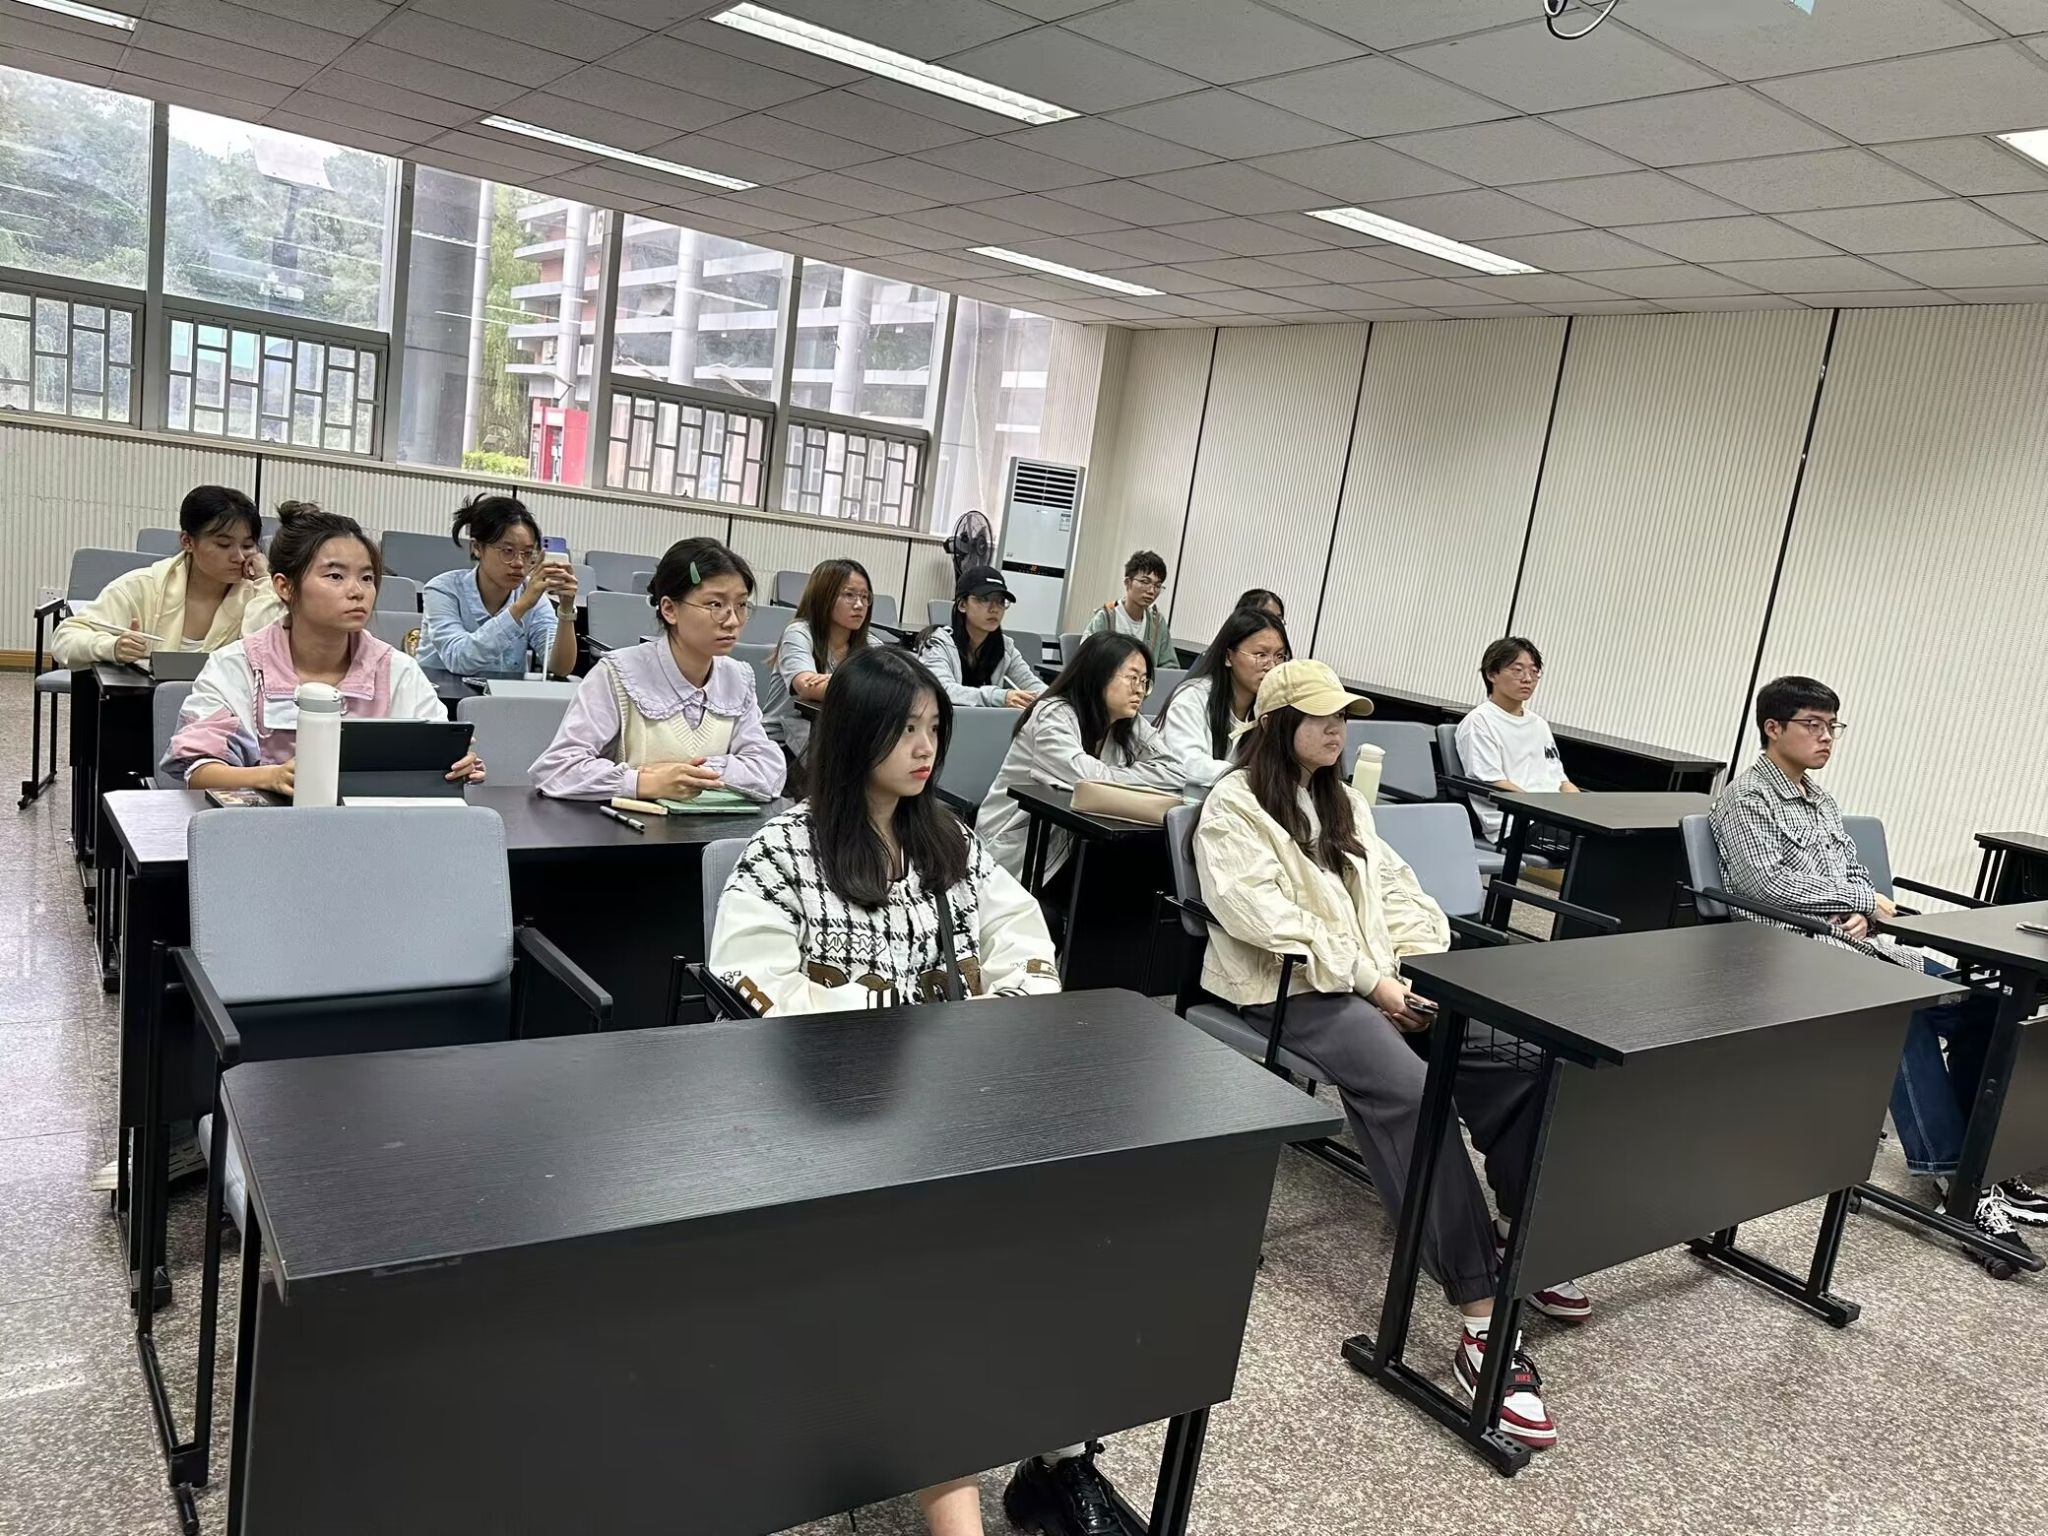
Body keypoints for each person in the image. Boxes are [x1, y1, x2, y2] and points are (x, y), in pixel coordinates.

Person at [709, 645, 1130, 1536]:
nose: (926, 746)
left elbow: (1022, 939)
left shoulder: (948, 840)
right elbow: (754, 988)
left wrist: (987, 1023)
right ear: (856, 732)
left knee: (1078, 1235)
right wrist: (909, 1033)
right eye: (905, 729)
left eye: (935, 727)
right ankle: (983, 1495)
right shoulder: (786, 849)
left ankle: (1057, 1458)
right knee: (947, 1270)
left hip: (954, 1116)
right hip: (831, 1127)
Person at [1194, 660, 1590, 1453]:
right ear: (1277, 725)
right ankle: (1481, 1317)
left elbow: (1400, 893)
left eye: (1344, 716)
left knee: (1519, 1055)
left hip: (1378, 979)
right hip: (1291, 989)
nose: (1338, 729)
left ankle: (1515, 1231)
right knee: (1409, 1091)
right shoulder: (1233, 806)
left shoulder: (1342, 801)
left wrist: (1411, 971)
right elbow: (1265, 919)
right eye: (1322, 717)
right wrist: (1371, 982)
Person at [1710, 676, 2041, 1251]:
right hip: (1787, 954)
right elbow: (1763, 884)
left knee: (1987, 1006)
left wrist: (1862, 907)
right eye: (1812, 725)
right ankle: (1953, 1177)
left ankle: (1981, 1167)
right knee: (1901, 1009)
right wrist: (1859, 902)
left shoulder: (1821, 800)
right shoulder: (1747, 799)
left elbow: (1856, 875)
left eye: (1832, 726)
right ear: (1773, 728)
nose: (1826, 738)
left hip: (1856, 946)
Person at [163, 503, 483, 791]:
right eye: (335, 576)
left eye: (367, 578)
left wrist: (455, 765)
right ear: (285, 586)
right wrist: (269, 777)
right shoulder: (238, 665)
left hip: (369, 829)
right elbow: (198, 770)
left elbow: (433, 756)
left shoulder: (397, 670)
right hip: (259, 827)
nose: (357, 591)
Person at [530, 536, 786, 803]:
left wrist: (694, 772)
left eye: (741, 605)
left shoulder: (737, 678)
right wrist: (643, 782)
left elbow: (770, 772)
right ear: (669, 609)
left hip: (711, 827)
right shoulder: (618, 674)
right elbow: (557, 769)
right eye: (715, 604)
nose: (732, 621)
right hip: (625, 826)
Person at [975, 633, 1184, 885]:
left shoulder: (1129, 722)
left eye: (1144, 681)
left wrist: (1113, 776)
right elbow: (1087, 780)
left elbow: (1175, 772)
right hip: (1020, 848)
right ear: (1099, 675)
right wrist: (1126, 778)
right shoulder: (1052, 714)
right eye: (1132, 678)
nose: (1140, 690)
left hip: (1073, 844)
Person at [53, 485, 282, 666]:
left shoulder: (258, 595)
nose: (239, 557)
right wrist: (111, 647)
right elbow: (66, 638)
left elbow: (275, 654)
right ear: (187, 541)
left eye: (248, 545)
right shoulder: (143, 587)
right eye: (223, 544)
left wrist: (265, 581)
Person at [415, 493, 579, 678]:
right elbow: (459, 660)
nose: (519, 563)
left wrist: (566, 611)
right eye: (508, 551)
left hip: (502, 696)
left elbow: (560, 668)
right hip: (443, 693)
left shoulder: (531, 597)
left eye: (527, 553)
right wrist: (520, 607)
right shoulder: (442, 590)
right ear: (477, 548)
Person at [1454, 636, 1576, 845]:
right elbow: (1493, 781)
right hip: (1515, 824)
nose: (1528, 679)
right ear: (1492, 674)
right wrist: (1545, 810)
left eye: (1534, 672)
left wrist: (1584, 809)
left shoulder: (1539, 724)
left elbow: (1561, 781)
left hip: (1551, 817)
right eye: (1518, 670)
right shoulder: (1480, 721)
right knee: (1592, 847)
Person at [1160, 607, 1290, 787]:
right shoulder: (1193, 698)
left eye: (1279, 656)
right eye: (1261, 655)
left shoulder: (1273, 707)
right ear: (1228, 657)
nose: (1272, 666)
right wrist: (1253, 776)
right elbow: (1189, 765)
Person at [763, 557, 877, 761]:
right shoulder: (799, 633)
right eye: (849, 595)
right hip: (781, 745)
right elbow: (808, 687)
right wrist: (866, 684)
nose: (859, 605)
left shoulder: (870, 644)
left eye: (865, 596)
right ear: (824, 596)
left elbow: (898, 687)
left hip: (833, 740)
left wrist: (832, 681)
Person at [917, 565, 1042, 710]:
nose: (994, 609)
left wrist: (1054, 699)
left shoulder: (1006, 647)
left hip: (988, 722)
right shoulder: (937, 644)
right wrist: (1000, 697)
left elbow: (1033, 685)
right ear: (962, 604)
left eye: (1001, 601)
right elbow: (942, 690)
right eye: (984, 599)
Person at [1082, 549, 1172, 662]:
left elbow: (1170, 667)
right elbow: (1085, 659)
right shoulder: (1105, 618)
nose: (1151, 591)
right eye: (1145, 582)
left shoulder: (1157, 623)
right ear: (1128, 583)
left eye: (1157, 586)